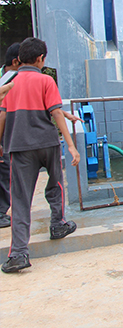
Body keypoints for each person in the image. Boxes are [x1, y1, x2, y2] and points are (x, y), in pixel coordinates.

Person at [0, 37, 81, 273]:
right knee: (55, 185)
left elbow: (3, 116)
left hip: (20, 146)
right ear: (40, 59)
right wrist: (71, 145)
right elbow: (55, 112)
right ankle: (58, 224)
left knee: (21, 199)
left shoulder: (9, 82)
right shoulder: (46, 80)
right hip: (47, 143)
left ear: (18, 59)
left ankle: (18, 254)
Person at [0, 43, 21, 228]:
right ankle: (0, 212)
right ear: (15, 62)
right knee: (3, 171)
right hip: (2, 136)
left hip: (8, 134)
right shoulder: (10, 81)